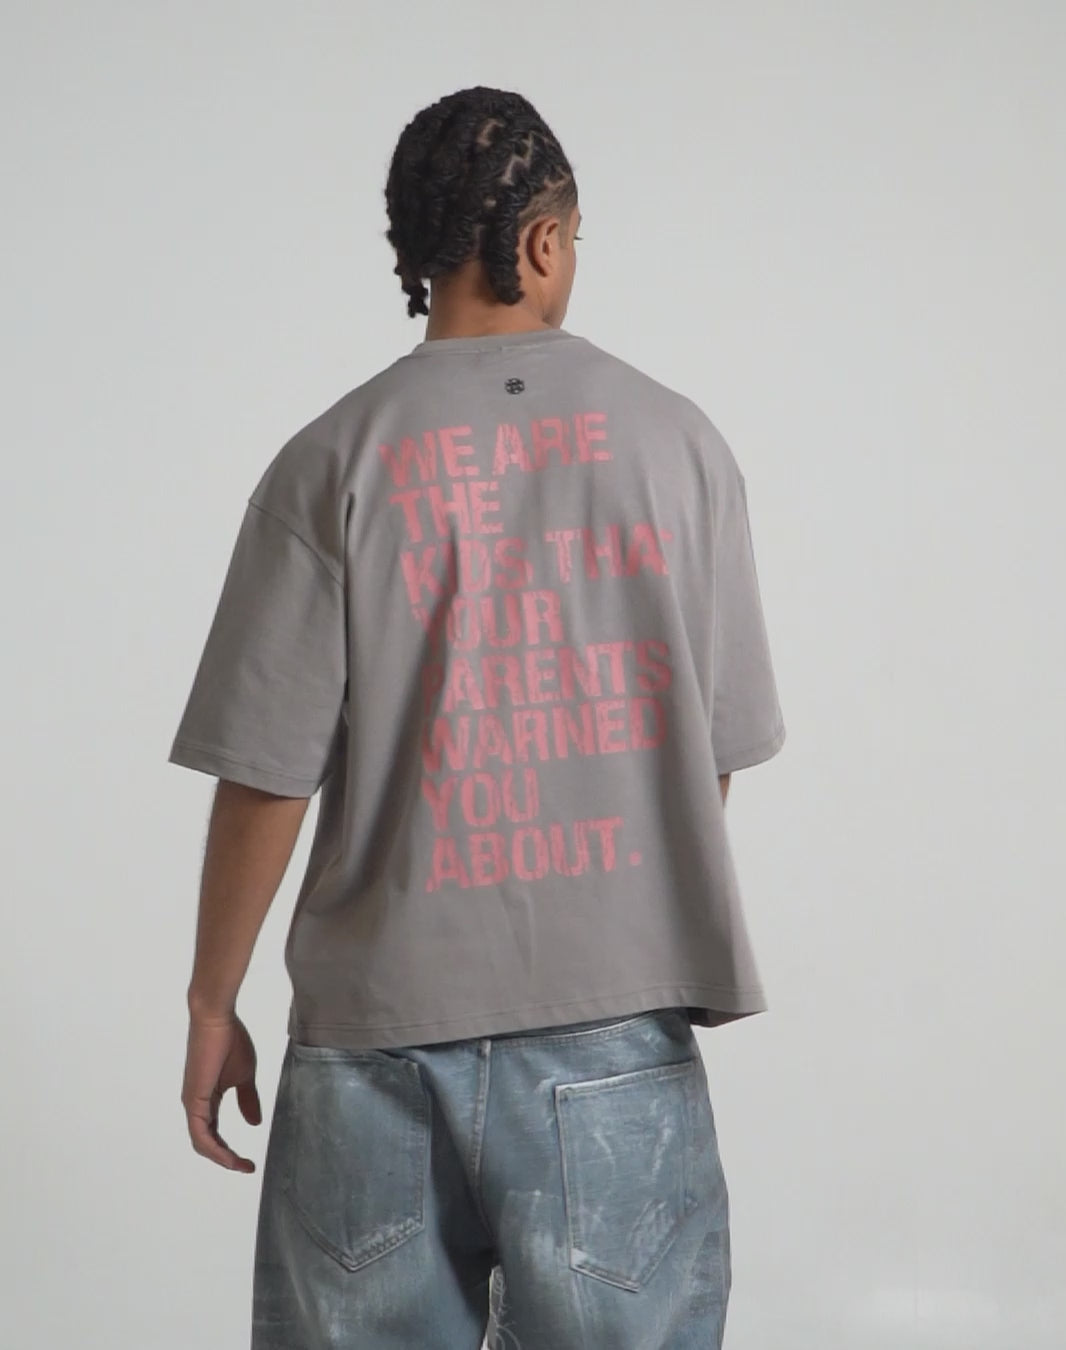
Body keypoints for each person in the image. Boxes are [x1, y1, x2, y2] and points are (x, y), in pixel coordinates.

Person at [170, 85, 786, 1349]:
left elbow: (266, 772)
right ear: (545, 241)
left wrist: (210, 1001)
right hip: (614, 1035)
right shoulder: (680, 445)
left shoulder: (330, 459)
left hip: (374, 1044)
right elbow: (709, 755)